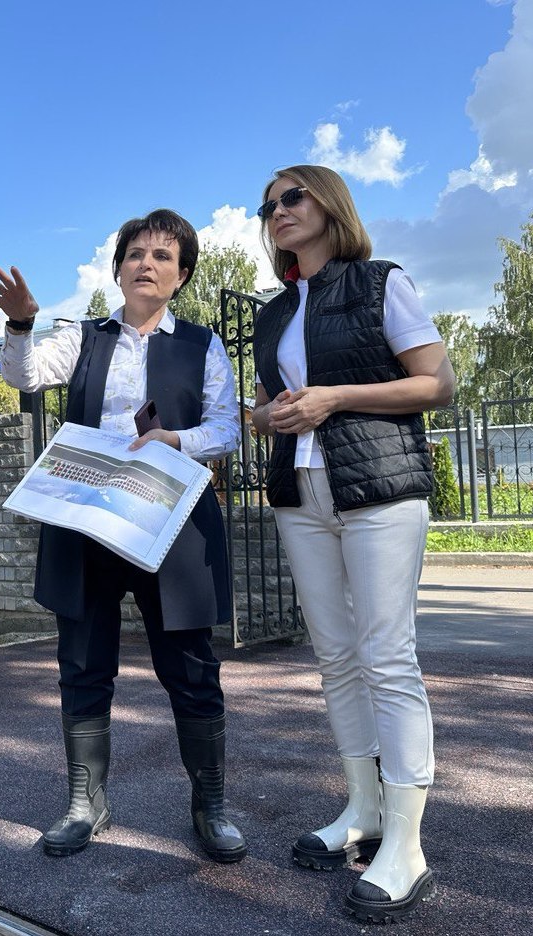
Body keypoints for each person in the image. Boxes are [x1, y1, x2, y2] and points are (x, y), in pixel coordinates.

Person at [0, 209, 247, 864]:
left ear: (181, 275)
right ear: (118, 268)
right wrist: (19, 325)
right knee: (81, 663)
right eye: (134, 254)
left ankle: (210, 805)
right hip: (85, 520)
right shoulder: (82, 336)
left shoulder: (202, 345)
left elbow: (227, 429)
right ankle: (85, 803)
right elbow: (23, 376)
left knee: (191, 668)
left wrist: (174, 440)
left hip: (171, 524)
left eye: (162, 256)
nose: (145, 264)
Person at [250, 165, 454, 923]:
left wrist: (335, 398)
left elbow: (436, 383)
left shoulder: (378, 283)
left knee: (386, 656)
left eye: (290, 197)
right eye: (266, 206)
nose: (276, 211)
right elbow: (270, 406)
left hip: (378, 489)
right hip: (300, 492)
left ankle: (406, 845)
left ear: (328, 202)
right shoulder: (275, 312)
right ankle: (362, 810)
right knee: (334, 656)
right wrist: (268, 415)